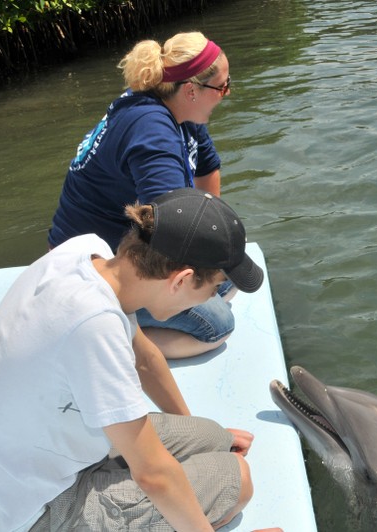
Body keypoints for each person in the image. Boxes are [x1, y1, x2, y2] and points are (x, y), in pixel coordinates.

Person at [0, 189, 279, 532]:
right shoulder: (95, 327)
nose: (212, 297)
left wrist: (196, 439)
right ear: (182, 280)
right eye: (215, 287)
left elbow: (144, 358)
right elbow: (153, 475)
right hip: (19, 512)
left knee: (213, 437)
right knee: (237, 480)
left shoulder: (85, 252)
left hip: (17, 462)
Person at [48, 31, 238, 359]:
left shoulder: (181, 109)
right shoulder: (152, 132)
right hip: (88, 272)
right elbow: (168, 232)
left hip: (122, 249)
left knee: (227, 278)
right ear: (192, 90)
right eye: (222, 86)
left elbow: (207, 171)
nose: (227, 93)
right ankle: (100, 341)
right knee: (216, 328)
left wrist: (217, 250)